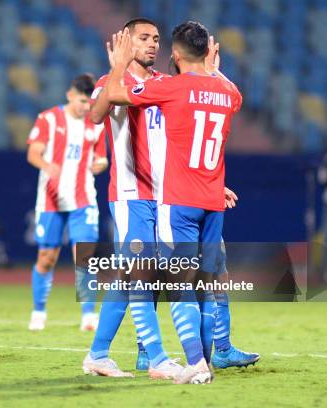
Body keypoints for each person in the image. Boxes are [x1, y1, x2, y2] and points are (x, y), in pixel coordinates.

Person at [102, 21, 243, 384]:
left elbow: (117, 95)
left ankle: (194, 364)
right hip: (213, 199)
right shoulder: (228, 92)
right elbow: (227, 91)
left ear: (175, 55)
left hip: (177, 200)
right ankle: (206, 360)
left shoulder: (170, 87)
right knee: (208, 284)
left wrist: (118, 64)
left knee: (176, 282)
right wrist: (214, 69)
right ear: (208, 53)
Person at [83, 18, 183, 379]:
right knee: (138, 274)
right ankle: (156, 357)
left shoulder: (167, 85)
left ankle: (97, 354)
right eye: (144, 38)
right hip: (130, 196)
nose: (153, 44)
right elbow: (95, 116)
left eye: (156, 39)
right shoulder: (111, 83)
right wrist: (117, 67)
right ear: (126, 41)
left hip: (165, 196)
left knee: (133, 278)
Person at [26, 73, 108, 332]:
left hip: (83, 199)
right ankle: (39, 311)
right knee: (47, 258)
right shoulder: (49, 119)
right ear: (70, 95)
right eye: (82, 101)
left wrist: (99, 165)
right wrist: (47, 166)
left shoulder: (96, 125)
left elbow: (102, 158)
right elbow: (33, 153)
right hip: (51, 200)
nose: (86, 107)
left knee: (84, 257)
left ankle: (88, 315)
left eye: (89, 103)